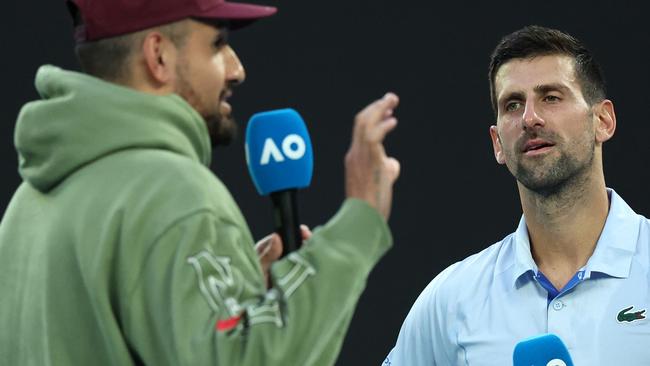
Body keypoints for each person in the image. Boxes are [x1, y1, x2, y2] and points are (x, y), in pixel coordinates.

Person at [0, 0, 402, 365]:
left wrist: (240, 293)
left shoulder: (25, 208)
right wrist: (358, 221)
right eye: (216, 44)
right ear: (158, 55)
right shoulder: (173, 194)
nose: (236, 69)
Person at [383, 25, 650, 365]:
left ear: (603, 120)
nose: (530, 118)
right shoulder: (451, 300)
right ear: (497, 143)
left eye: (551, 97)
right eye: (512, 104)